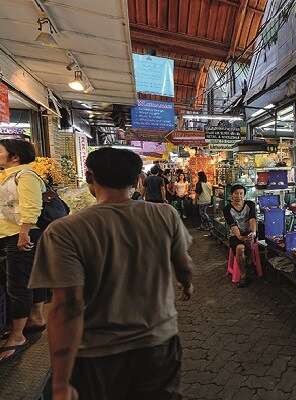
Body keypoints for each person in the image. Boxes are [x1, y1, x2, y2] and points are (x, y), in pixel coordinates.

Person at [29, 147, 195, 400]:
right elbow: (183, 263)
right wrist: (187, 284)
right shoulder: (165, 214)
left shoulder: (64, 231)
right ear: (137, 179)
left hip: (95, 353)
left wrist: (61, 382)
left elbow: (65, 307)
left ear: (89, 177)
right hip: (158, 345)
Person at [0, 139, 50, 361]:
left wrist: (24, 232)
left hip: (21, 234)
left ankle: (17, 335)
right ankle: (36, 318)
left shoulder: (25, 175)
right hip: (16, 233)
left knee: (17, 283)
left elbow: (31, 206)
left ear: (15, 156)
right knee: (31, 277)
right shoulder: (11, 175)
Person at [223, 184, 257, 287]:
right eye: (236, 193)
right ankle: (243, 275)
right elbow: (232, 225)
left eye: (241, 193)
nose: (238, 196)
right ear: (231, 195)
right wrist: (240, 237)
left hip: (249, 232)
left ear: (244, 195)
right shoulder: (227, 209)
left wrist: (253, 232)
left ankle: (250, 261)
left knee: (250, 240)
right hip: (235, 234)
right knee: (239, 248)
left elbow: (252, 219)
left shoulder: (250, 204)